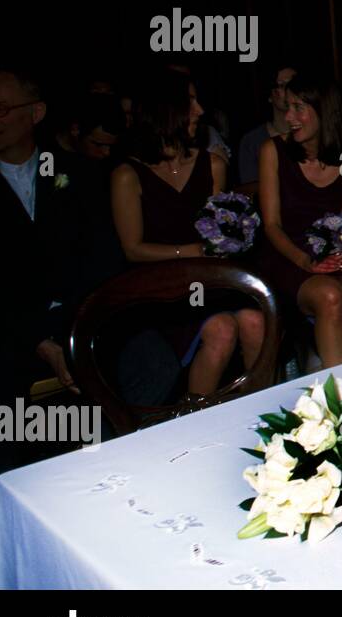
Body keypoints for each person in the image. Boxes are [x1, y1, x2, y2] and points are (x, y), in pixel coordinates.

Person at [110, 69, 264, 397]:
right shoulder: (128, 174)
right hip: (159, 287)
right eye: (190, 101)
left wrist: (233, 240)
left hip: (210, 279)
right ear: (165, 110)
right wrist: (192, 250)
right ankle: (195, 422)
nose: (200, 110)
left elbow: (221, 228)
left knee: (255, 322)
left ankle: (260, 421)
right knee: (222, 330)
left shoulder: (213, 164)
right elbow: (132, 249)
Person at [0, 66, 122, 454]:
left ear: (35, 113)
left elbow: (104, 261)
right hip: (12, 327)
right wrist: (39, 338)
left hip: (80, 316)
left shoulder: (80, 175)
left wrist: (75, 327)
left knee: (144, 360)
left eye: (1, 108)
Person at [257, 70, 342, 368]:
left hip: (333, 254)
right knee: (329, 295)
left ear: (324, 110)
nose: (289, 116)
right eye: (288, 107)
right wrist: (305, 262)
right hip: (288, 256)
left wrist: (340, 257)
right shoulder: (273, 151)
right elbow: (272, 225)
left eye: (299, 107)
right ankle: (337, 400)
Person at [236, 63, 296, 183]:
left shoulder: (310, 132)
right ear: (269, 95)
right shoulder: (252, 141)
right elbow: (251, 190)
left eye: (293, 84)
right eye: (282, 85)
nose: (289, 90)